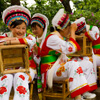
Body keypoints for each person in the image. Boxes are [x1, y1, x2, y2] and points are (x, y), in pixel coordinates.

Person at [31, 9, 97, 100]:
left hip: (57, 67)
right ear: (63, 28)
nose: (70, 31)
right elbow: (70, 49)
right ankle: (78, 97)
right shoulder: (52, 38)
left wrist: (72, 31)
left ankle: (85, 92)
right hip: (50, 70)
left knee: (87, 64)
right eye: (69, 29)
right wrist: (73, 32)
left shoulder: (59, 36)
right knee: (73, 64)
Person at [0, 5, 36, 100]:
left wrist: (8, 42)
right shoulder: (4, 36)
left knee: (20, 76)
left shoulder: (30, 37)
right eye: (17, 28)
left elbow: (30, 42)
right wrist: (15, 39)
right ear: (10, 27)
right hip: (7, 69)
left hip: (27, 68)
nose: (21, 31)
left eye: (23, 28)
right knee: (6, 78)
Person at [31, 13, 49, 100]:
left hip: (46, 63)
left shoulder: (47, 39)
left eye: (36, 29)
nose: (34, 31)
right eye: (32, 29)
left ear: (42, 27)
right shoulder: (35, 39)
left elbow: (45, 53)